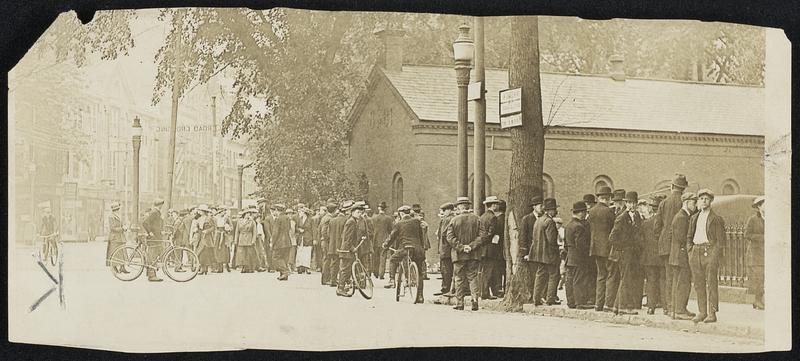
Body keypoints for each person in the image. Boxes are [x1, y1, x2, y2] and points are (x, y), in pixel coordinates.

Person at [687, 189, 726, 323]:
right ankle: (702, 312)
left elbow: (721, 242)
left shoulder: (716, 219)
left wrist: (714, 256)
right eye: (701, 198)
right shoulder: (694, 217)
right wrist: (690, 250)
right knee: (698, 284)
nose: (704, 201)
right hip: (696, 252)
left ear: (711, 201)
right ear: (698, 201)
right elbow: (689, 236)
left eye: (706, 199)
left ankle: (712, 313)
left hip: (709, 252)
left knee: (711, 283)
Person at [656, 174, 688, 315]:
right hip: (679, 246)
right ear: (683, 189)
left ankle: (668, 307)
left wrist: (663, 238)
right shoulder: (684, 202)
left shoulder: (664, 203)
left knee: (667, 277)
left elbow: (657, 227)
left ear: (672, 187)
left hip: (665, 245)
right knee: (681, 277)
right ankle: (678, 307)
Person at [607, 191, 643, 315]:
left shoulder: (637, 216)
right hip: (624, 253)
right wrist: (621, 249)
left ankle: (617, 306)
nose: (631, 205)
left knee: (627, 278)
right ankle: (623, 306)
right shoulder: (621, 218)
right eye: (629, 203)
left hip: (632, 253)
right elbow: (612, 237)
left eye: (633, 203)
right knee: (625, 278)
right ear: (626, 203)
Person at [668, 192, 697, 320]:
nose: (695, 205)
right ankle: (679, 310)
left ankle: (680, 308)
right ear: (686, 203)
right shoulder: (681, 217)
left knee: (683, 283)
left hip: (680, 255)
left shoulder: (685, 216)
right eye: (693, 202)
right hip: (681, 256)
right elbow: (681, 238)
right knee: (682, 283)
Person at [528, 198, 561, 306]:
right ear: (550, 210)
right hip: (549, 254)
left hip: (539, 254)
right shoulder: (549, 222)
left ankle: (536, 298)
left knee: (540, 275)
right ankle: (550, 298)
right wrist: (557, 252)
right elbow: (552, 240)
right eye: (554, 209)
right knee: (553, 275)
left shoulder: (539, 220)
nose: (555, 211)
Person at [589, 186, 615, 312]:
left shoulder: (592, 211)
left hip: (595, 249)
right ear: (608, 198)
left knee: (600, 276)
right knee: (610, 275)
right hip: (607, 249)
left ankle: (598, 304)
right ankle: (607, 304)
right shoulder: (609, 212)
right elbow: (613, 229)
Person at [337, 201, 372, 296]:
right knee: (345, 270)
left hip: (350, 250)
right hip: (346, 250)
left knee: (347, 270)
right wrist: (352, 248)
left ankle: (344, 286)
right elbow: (346, 238)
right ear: (352, 212)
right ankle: (340, 289)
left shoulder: (355, 221)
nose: (359, 214)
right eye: (358, 212)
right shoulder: (351, 222)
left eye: (361, 213)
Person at [564, 201, 594, 309]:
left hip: (570, 257)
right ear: (581, 213)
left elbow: (566, 245)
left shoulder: (568, 225)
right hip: (579, 258)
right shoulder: (579, 227)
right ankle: (579, 302)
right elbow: (581, 246)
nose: (585, 215)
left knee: (570, 280)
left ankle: (571, 301)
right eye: (585, 212)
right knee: (579, 280)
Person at [638, 198, 663, 315]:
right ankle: (665, 306)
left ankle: (651, 306)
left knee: (651, 281)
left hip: (648, 257)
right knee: (663, 280)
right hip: (661, 257)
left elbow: (641, 241)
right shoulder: (664, 224)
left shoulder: (645, 224)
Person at [518, 195, 544, 302]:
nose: (542, 208)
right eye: (540, 206)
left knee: (541, 274)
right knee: (532, 274)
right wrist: (525, 253)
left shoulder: (543, 219)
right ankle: (532, 295)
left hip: (542, 252)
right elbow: (523, 237)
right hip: (531, 252)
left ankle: (540, 295)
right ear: (534, 207)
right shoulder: (527, 219)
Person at [478, 196, 502, 300]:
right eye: (496, 204)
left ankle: (486, 292)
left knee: (485, 271)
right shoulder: (493, 217)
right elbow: (491, 233)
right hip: (490, 248)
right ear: (493, 205)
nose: (497, 205)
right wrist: (490, 239)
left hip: (483, 249)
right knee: (488, 271)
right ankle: (485, 293)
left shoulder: (482, 216)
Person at [745, 196, 765, 310]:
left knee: (760, 278)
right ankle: (756, 301)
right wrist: (763, 237)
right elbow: (747, 234)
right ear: (759, 207)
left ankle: (754, 302)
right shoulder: (753, 219)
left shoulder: (769, 218)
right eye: (765, 204)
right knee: (757, 279)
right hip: (755, 254)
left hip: (765, 254)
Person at [141, 198, 165, 282]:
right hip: (153, 238)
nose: (162, 206)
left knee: (154, 256)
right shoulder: (154, 212)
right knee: (152, 256)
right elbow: (145, 222)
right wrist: (150, 232)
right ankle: (152, 275)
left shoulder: (156, 212)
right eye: (161, 204)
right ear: (159, 205)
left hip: (156, 237)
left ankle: (152, 273)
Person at [327, 201, 351, 287]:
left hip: (333, 246)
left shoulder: (332, 220)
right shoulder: (347, 221)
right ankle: (344, 281)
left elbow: (328, 234)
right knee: (344, 265)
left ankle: (333, 280)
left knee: (334, 264)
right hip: (342, 246)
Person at [434, 202, 455, 296]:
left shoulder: (447, 219)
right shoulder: (450, 218)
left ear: (449, 210)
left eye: (444, 210)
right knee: (447, 269)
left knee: (446, 270)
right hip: (447, 248)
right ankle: (446, 288)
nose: (443, 212)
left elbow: (443, 234)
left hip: (446, 248)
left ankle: (445, 288)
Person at [270, 204, 293, 281]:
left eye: (275, 210)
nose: (274, 212)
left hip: (280, 242)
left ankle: (285, 272)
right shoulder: (287, 218)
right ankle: (283, 275)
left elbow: (275, 233)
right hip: (288, 241)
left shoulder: (278, 219)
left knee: (276, 258)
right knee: (284, 258)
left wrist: (272, 242)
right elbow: (289, 229)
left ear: (277, 210)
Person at [371, 202, 394, 279]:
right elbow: (391, 230)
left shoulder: (373, 218)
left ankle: (375, 272)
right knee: (383, 257)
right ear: (385, 209)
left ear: (379, 208)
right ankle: (381, 274)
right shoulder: (388, 218)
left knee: (375, 256)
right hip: (384, 240)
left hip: (375, 240)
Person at [234, 207, 260, 273]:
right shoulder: (239, 221)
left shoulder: (252, 221)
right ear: (244, 214)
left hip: (249, 238)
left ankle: (250, 267)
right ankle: (244, 267)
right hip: (241, 238)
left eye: (249, 213)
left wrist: (253, 240)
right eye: (247, 213)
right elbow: (237, 231)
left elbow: (254, 232)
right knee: (242, 254)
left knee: (249, 253)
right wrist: (235, 240)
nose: (248, 215)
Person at [193, 204, 216, 276]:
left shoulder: (209, 218)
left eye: (200, 210)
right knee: (200, 253)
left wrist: (207, 231)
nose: (199, 212)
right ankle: (202, 268)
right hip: (200, 237)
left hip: (207, 237)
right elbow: (196, 226)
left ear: (204, 211)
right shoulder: (199, 219)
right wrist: (196, 229)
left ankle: (205, 269)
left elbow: (213, 227)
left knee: (206, 253)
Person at [106, 202, 128, 273]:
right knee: (114, 252)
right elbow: (113, 228)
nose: (119, 210)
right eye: (118, 209)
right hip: (115, 237)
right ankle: (114, 266)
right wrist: (122, 229)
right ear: (116, 209)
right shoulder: (111, 217)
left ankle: (122, 267)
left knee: (122, 252)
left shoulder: (118, 216)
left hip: (120, 237)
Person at [319, 203, 336, 285]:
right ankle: (326, 279)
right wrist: (329, 239)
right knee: (327, 260)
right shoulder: (329, 218)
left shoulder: (324, 217)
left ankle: (325, 278)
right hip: (326, 242)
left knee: (326, 259)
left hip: (323, 241)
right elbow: (324, 231)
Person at [295, 205, 313, 275]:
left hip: (308, 238)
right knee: (300, 252)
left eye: (302, 211)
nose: (300, 213)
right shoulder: (299, 219)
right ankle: (299, 266)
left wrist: (314, 239)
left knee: (307, 252)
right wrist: (299, 230)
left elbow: (313, 229)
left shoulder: (310, 220)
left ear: (305, 213)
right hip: (300, 238)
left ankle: (307, 267)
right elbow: (296, 227)